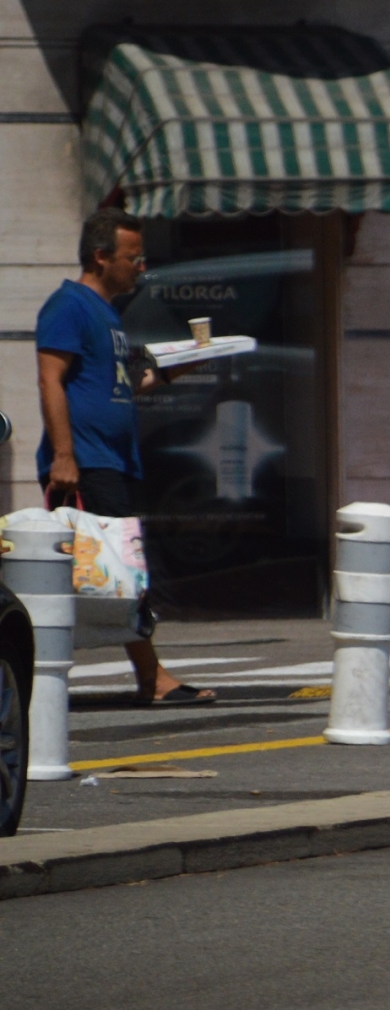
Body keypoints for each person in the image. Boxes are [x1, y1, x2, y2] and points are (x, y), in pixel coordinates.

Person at [35, 208, 211, 705]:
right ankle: (150, 679)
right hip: (87, 463)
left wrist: (185, 366)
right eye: (133, 257)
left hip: (114, 459)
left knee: (118, 574)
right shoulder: (67, 306)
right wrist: (64, 456)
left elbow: (127, 385)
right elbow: (50, 378)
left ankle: (148, 676)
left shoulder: (109, 315)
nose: (141, 267)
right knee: (114, 574)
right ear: (100, 255)